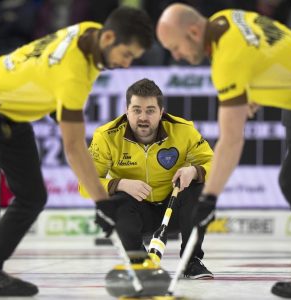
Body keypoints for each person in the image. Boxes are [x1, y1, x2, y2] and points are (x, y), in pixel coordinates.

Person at [0, 6, 153, 297]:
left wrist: (57, 107)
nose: (127, 64)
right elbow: (74, 148)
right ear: (109, 37)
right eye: (126, 54)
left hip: (12, 112)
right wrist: (103, 202)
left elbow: (41, 68)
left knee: (32, 197)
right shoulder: (74, 73)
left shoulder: (89, 30)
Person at [156, 3, 291, 300]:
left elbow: (232, 140)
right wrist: (256, 90)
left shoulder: (227, 60)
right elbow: (274, 48)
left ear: (194, 32)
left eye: (176, 47)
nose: (176, 56)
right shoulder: (225, 18)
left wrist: (209, 197)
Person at [79, 78, 214, 279]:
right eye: (136, 110)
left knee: (199, 188)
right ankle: (139, 261)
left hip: (175, 209)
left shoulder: (183, 130)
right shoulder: (106, 136)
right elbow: (85, 185)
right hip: (136, 214)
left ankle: (191, 261)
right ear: (126, 110)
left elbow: (215, 166)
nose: (143, 117)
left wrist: (194, 171)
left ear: (161, 112)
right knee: (116, 201)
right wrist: (120, 184)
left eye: (150, 110)